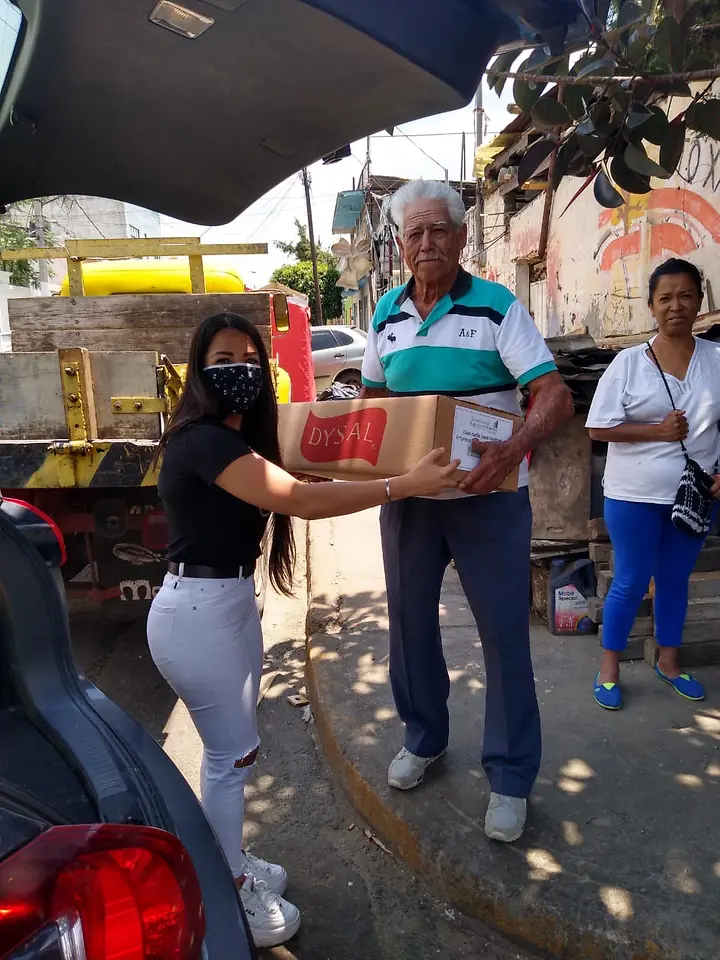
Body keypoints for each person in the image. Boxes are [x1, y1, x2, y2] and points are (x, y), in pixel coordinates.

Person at [146, 311, 459, 949]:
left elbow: (284, 489)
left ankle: (226, 861)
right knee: (231, 759)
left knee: (226, 755)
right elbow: (297, 500)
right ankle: (225, 889)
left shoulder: (231, 444)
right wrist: (405, 485)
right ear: (200, 371)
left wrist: (317, 479)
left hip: (220, 603)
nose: (235, 371)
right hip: (201, 614)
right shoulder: (203, 439)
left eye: (247, 360)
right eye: (221, 359)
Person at [360, 179, 574, 843]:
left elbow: (554, 396)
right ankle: (424, 738)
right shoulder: (387, 316)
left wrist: (512, 450)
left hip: (488, 499)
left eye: (438, 231)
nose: (426, 243)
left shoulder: (496, 307)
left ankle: (510, 775)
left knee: (505, 634)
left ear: (458, 237)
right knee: (409, 627)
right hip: (412, 503)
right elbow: (370, 404)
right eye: (414, 233)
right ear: (400, 244)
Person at [586, 258, 720, 710]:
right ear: (651, 306)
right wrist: (655, 432)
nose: (675, 306)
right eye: (665, 298)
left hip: (694, 496)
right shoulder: (628, 364)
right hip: (633, 497)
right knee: (629, 580)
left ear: (699, 302)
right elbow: (597, 429)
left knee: (675, 580)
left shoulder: (716, 360)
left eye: (685, 296)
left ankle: (669, 662)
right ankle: (609, 667)